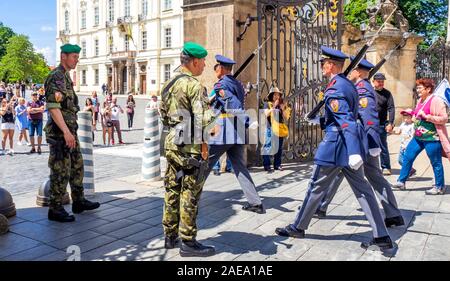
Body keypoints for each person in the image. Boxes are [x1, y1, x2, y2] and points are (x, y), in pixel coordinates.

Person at [275, 46, 394, 251]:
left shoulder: (335, 88)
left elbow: (346, 120)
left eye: (323, 63)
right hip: (346, 145)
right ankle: (381, 235)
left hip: (336, 146)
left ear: (330, 65)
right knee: (364, 191)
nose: (322, 66)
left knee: (315, 187)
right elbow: (340, 117)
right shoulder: (347, 85)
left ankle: (298, 226)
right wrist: (320, 121)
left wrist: (355, 151)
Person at [315, 57, 404, 228]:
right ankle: (393, 214)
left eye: (353, 69)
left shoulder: (362, 88)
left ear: (359, 71)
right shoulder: (360, 87)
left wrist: (372, 144)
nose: (350, 72)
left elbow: (369, 117)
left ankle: (320, 206)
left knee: (362, 174)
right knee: (348, 173)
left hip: (362, 141)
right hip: (359, 140)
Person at [159, 42, 220, 257]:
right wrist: (215, 118)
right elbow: (203, 120)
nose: (204, 65)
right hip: (190, 146)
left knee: (172, 188)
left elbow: (164, 115)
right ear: (194, 62)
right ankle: (188, 241)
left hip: (171, 142)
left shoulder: (167, 84)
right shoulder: (194, 86)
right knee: (190, 193)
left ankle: (170, 235)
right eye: (203, 62)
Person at [44, 43, 100, 222]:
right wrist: (67, 133)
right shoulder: (56, 77)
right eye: (74, 56)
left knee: (77, 166)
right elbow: (53, 107)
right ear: (63, 57)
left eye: (77, 56)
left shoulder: (66, 77)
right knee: (60, 170)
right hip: (60, 134)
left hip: (70, 131)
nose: (77, 59)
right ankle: (55, 208)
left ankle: (78, 201)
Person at [206, 54, 264, 214]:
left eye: (216, 67)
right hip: (237, 133)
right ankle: (255, 202)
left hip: (225, 130)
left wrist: (247, 119)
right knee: (240, 167)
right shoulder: (236, 84)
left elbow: (232, 103)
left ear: (222, 68)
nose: (215, 70)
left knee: (204, 163)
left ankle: (190, 199)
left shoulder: (220, 85)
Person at [393, 79, 450, 195]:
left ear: (428, 89)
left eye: (420, 88)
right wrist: (414, 116)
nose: (418, 90)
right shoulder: (420, 100)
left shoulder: (436, 101)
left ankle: (439, 186)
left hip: (432, 138)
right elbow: (417, 113)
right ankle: (401, 182)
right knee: (407, 156)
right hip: (418, 137)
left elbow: (444, 118)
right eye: (417, 87)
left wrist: (427, 117)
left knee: (435, 162)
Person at [262, 86, 291, 173]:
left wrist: (283, 109)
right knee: (267, 147)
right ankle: (267, 165)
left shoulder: (281, 105)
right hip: (270, 128)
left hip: (279, 128)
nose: (277, 97)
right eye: (275, 95)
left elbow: (286, 117)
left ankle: (277, 165)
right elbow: (266, 114)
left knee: (279, 148)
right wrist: (274, 106)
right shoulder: (267, 104)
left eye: (278, 95)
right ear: (271, 96)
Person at [372, 73, 395, 175]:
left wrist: (390, 123)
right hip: (370, 124)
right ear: (373, 82)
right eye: (379, 81)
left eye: (382, 81)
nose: (381, 83)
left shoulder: (387, 94)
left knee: (383, 146)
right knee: (368, 145)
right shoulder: (369, 93)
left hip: (381, 124)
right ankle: (370, 167)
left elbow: (391, 108)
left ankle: (386, 167)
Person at [392, 109, 416, 177]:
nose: (406, 119)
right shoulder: (403, 124)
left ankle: (407, 173)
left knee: (406, 160)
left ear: (412, 117)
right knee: (400, 160)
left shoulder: (413, 125)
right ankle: (411, 169)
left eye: (408, 117)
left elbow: (414, 136)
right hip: (402, 145)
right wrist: (392, 132)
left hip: (409, 146)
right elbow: (398, 132)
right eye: (404, 117)